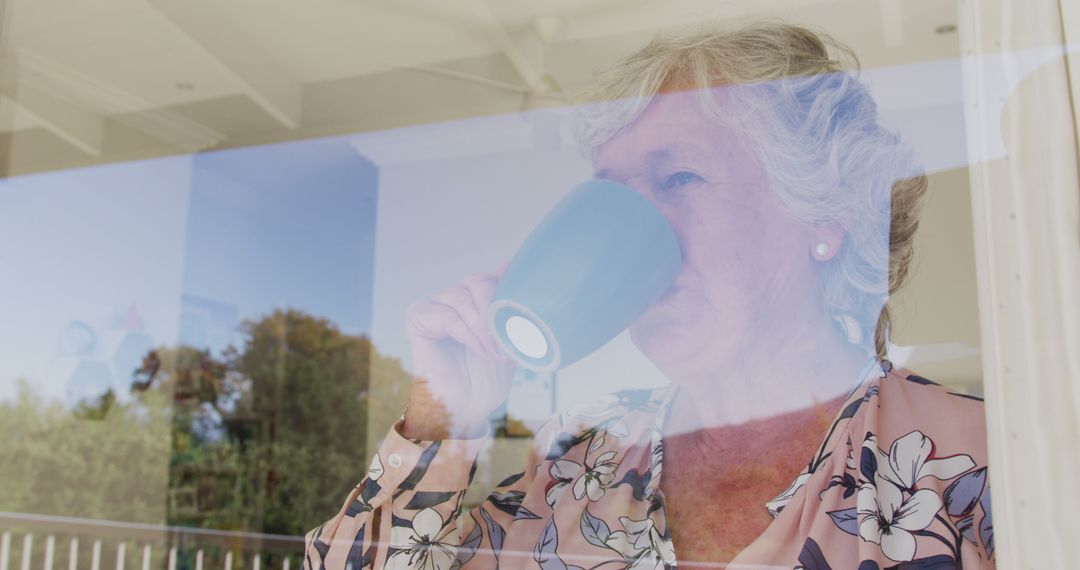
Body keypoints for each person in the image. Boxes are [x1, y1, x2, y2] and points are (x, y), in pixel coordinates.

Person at [303, 22, 995, 569]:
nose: (631, 231)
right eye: (612, 195)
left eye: (680, 179)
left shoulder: (976, 457)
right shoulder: (581, 460)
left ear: (825, 215)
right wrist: (440, 419)